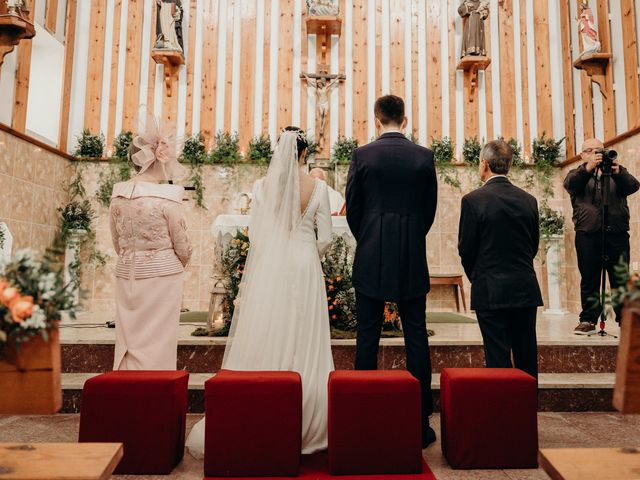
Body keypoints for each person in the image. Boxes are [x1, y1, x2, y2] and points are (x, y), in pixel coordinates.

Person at [186, 127, 335, 457]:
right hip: (305, 263)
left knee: (272, 330)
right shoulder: (319, 187)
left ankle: (265, 412)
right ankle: (312, 420)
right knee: (306, 336)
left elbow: (257, 236)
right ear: (304, 154)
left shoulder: (261, 187)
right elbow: (324, 236)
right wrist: (307, 251)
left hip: (273, 266)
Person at [346, 95, 438, 448]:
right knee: (416, 334)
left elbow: (353, 206)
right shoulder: (423, 156)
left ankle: (364, 413)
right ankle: (419, 421)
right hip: (412, 251)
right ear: (406, 119)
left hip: (371, 251)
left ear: (376, 119)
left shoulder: (363, 155)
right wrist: (412, 233)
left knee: (367, 333)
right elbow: (428, 207)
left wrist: (370, 233)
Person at [109, 116, 192, 370]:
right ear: (158, 158)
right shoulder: (167, 198)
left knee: (129, 336)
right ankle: (155, 391)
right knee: (159, 339)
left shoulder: (119, 195)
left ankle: (127, 388)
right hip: (163, 277)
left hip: (127, 274)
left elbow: (116, 241)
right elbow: (184, 247)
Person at [458, 140, 542, 379]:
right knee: (527, 357)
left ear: (484, 164)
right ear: (509, 165)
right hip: (525, 287)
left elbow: (467, 249)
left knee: (497, 356)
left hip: (490, 288)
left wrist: (478, 276)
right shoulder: (529, 200)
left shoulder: (473, 200)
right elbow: (532, 245)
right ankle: (526, 413)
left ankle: (501, 413)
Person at [563, 138, 639, 334]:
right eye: (592, 150)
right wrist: (588, 168)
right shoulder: (577, 173)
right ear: (583, 155)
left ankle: (626, 320)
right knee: (589, 279)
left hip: (617, 234)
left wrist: (618, 172)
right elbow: (570, 184)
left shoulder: (615, 171)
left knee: (620, 280)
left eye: (601, 150)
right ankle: (588, 319)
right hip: (588, 234)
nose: (598, 154)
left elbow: (633, 186)